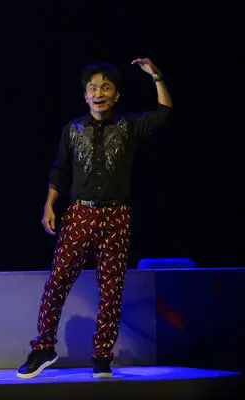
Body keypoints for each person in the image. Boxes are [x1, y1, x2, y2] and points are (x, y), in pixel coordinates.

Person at [16, 58, 172, 379]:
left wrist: (156, 76)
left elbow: (164, 114)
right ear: (85, 96)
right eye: (93, 88)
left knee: (111, 288)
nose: (99, 93)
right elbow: (59, 170)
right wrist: (49, 205)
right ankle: (43, 348)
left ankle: (102, 356)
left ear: (116, 95)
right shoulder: (72, 129)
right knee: (58, 281)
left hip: (116, 215)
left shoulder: (128, 126)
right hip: (80, 213)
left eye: (106, 88)